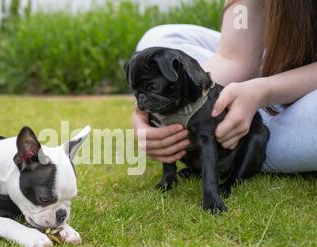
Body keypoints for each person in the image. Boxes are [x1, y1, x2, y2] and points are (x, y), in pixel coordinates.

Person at [132, 0, 317, 173]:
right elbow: (234, 58)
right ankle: (235, 124)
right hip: (272, 66)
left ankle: (247, 142)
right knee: (157, 41)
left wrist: (266, 90)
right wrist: (156, 102)